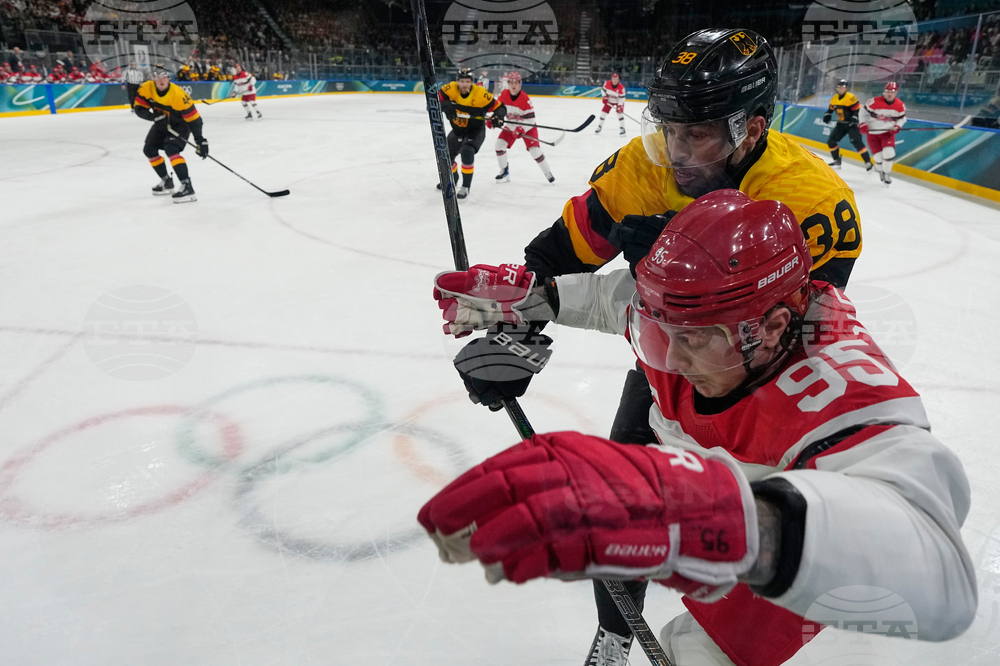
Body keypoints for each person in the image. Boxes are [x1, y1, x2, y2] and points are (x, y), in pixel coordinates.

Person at [435, 27, 865, 666]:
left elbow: (797, 338)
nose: (676, 150)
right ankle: (615, 631)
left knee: (758, 537)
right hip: (668, 359)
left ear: (749, 128)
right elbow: (557, 257)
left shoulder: (812, 201)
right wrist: (515, 335)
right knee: (620, 510)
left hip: (761, 393)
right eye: (667, 128)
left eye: (697, 134)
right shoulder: (645, 167)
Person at [425, 188, 977, 666]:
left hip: (793, 538)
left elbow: (943, 573)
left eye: (692, 340)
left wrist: (737, 522)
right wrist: (530, 302)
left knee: (697, 653)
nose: (674, 361)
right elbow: (615, 299)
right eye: (661, 334)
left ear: (773, 327)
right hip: (726, 484)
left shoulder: (841, 387)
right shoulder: (691, 317)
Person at [133, 68, 208, 203]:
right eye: (158, 77)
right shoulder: (146, 88)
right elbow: (139, 109)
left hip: (180, 124)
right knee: (149, 150)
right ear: (153, 79)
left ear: (169, 79)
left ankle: (187, 187)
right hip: (161, 122)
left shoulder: (178, 95)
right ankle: (166, 181)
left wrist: (200, 141)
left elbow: (195, 120)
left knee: (171, 149)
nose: (161, 80)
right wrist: (154, 117)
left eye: (164, 77)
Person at [438, 68, 506, 200]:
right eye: (462, 81)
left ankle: (465, 187)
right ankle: (453, 178)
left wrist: (498, 117)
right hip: (458, 130)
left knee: (467, 151)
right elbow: (434, 101)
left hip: (475, 131)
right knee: (445, 155)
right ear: (457, 82)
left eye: (467, 81)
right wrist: (446, 106)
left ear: (472, 83)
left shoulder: (480, 94)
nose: (464, 84)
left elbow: (500, 107)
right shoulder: (450, 89)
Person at [493, 71, 554, 184]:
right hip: (511, 125)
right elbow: (498, 109)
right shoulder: (503, 95)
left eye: (516, 82)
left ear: (520, 84)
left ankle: (547, 173)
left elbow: (531, 119)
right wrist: (494, 118)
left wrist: (521, 129)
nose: (514, 85)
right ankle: (504, 171)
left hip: (527, 127)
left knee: (535, 151)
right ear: (508, 83)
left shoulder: (525, 99)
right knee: (499, 145)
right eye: (511, 82)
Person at [860, 81, 906, 186]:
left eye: (892, 92)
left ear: (896, 93)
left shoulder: (900, 105)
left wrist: (897, 126)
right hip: (872, 133)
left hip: (887, 133)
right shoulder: (873, 102)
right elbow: (862, 112)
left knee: (889, 153)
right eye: (887, 91)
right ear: (884, 92)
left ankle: (886, 174)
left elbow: (902, 119)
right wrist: (862, 124)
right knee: (878, 157)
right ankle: (881, 171)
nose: (889, 93)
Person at [822, 79, 873, 171]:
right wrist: (827, 115)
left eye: (843, 87)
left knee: (856, 142)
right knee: (831, 141)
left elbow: (857, 110)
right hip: (841, 124)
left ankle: (868, 162)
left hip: (852, 125)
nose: (841, 89)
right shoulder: (834, 98)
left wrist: (854, 119)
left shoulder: (851, 97)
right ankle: (837, 161)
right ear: (837, 88)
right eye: (840, 87)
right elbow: (830, 109)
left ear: (846, 88)